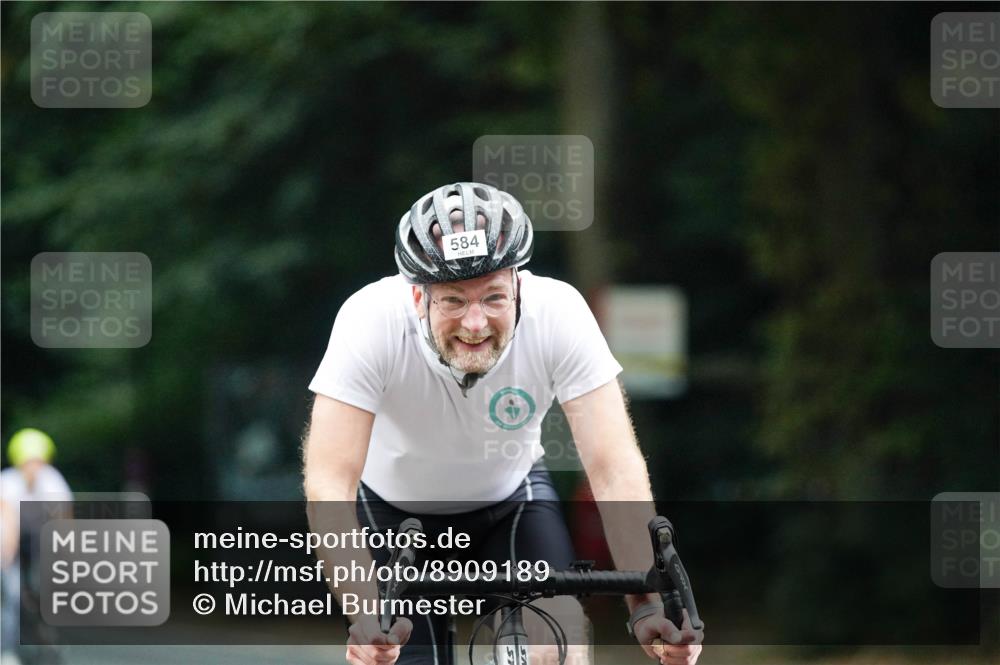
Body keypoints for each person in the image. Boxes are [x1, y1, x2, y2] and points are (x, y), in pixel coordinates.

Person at [303, 182, 704, 665]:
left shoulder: (559, 313)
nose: (476, 323)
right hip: (391, 514)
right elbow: (329, 482)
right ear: (417, 297)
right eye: (453, 300)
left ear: (518, 284)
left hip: (510, 502)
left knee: (554, 641)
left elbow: (614, 467)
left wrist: (648, 606)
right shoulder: (368, 320)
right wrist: (366, 612)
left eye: (493, 297)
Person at [1, 429, 72, 665]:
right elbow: (7, 523)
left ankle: (48, 645)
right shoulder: (7, 483)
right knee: (10, 595)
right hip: (12, 537)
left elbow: (63, 520)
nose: (35, 467)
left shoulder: (53, 481)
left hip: (41, 538)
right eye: (30, 462)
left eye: (39, 462)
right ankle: (7, 649)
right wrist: (8, 557)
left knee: (45, 590)